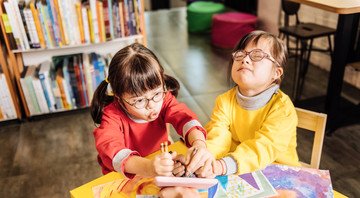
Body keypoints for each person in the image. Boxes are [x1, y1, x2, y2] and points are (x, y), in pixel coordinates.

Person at [90, 43, 213, 178]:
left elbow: (185, 118)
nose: (152, 105)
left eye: (156, 93)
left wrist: (199, 144)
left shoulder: (164, 98)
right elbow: (111, 151)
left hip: (160, 166)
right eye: (139, 101)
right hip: (125, 177)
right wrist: (149, 167)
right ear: (119, 97)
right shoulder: (112, 116)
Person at [204, 30, 301, 176]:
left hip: (279, 174)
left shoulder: (282, 109)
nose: (245, 60)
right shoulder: (224, 101)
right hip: (238, 171)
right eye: (240, 54)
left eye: (257, 55)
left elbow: (263, 147)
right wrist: (206, 159)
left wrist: (223, 166)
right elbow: (218, 138)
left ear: (276, 73)